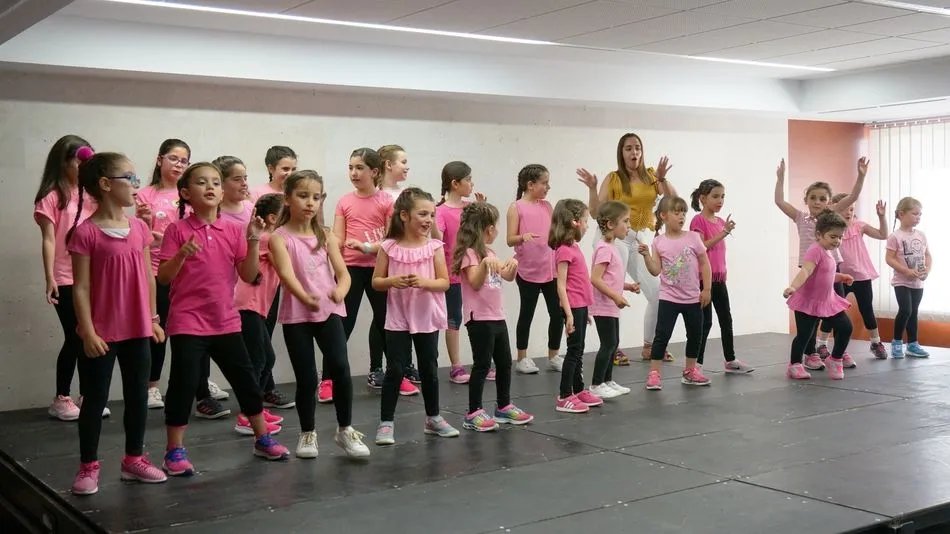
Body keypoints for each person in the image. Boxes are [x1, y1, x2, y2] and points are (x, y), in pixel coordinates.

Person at [157, 162, 288, 476]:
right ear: (187, 193)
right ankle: (174, 450)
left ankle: (261, 438)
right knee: (182, 384)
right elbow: (163, 277)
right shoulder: (177, 230)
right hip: (188, 321)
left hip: (225, 320)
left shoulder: (233, 229)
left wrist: (255, 238)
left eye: (215, 181)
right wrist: (181, 255)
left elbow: (249, 274)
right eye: (202, 182)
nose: (211, 187)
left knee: (245, 381)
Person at [66, 151, 167, 495]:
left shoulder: (139, 228)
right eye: (131, 179)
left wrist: (153, 318)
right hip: (102, 334)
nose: (137, 186)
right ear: (106, 185)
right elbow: (79, 287)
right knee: (94, 399)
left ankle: (133, 460)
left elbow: (149, 278)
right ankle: (88, 466)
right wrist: (88, 330)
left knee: (138, 396)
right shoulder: (86, 233)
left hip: (138, 329)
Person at [269, 170, 370, 458]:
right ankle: (307, 433)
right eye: (303, 196)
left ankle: (345, 430)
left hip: (329, 313)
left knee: (340, 368)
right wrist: (304, 297)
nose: (310, 203)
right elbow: (286, 274)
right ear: (287, 199)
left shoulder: (326, 236)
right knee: (306, 378)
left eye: (316, 197)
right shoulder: (280, 237)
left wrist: (341, 290)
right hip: (298, 315)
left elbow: (343, 273)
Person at [577, 133, 677, 364]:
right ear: (621, 154)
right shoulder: (613, 179)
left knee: (657, 292)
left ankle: (650, 346)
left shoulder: (652, 176)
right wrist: (592, 188)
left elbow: (673, 200)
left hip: (637, 235)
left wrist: (662, 178)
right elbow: (595, 213)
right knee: (612, 290)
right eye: (629, 148)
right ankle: (613, 347)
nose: (634, 153)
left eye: (637, 148)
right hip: (612, 236)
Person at [372, 187, 459, 445]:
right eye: (422, 213)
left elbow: (444, 282)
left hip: (426, 316)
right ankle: (386, 422)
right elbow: (376, 281)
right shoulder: (388, 247)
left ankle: (433, 418)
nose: (428, 220)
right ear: (404, 216)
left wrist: (423, 282)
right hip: (398, 317)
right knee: (395, 369)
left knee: (429, 369)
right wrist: (392, 280)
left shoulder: (434, 247)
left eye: (431, 214)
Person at [332, 148, 418, 395]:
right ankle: (329, 380)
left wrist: (367, 247)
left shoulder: (385, 201)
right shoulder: (344, 201)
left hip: (378, 270)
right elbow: (337, 238)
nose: (354, 173)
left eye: (359, 168)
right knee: (342, 325)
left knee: (386, 323)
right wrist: (335, 267)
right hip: (351, 270)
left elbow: (393, 238)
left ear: (374, 171)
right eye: (350, 167)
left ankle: (396, 375)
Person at [774, 157, 868, 371]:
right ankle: (810, 353)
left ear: (829, 201)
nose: (817, 202)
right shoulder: (800, 217)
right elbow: (779, 202)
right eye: (813, 198)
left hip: (831, 269)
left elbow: (853, 196)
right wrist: (781, 178)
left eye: (822, 198)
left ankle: (838, 351)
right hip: (809, 271)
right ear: (806, 199)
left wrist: (861, 176)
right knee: (811, 315)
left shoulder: (832, 215)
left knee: (835, 310)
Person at [452, 202, 533, 431]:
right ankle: (473, 411)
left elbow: (506, 276)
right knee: (482, 364)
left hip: (497, 316)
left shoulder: (490, 252)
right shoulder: (470, 254)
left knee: (505, 361)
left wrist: (513, 265)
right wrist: (485, 264)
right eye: (496, 227)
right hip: (479, 318)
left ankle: (503, 406)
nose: (497, 231)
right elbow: (476, 283)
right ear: (488, 229)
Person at [33, 135, 98, 421]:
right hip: (65, 275)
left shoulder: (93, 196)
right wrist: (50, 278)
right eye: (79, 159)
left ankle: (87, 395)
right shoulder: (52, 197)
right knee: (74, 335)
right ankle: (61, 397)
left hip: (92, 276)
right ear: (64, 161)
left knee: (88, 335)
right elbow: (48, 240)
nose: (84, 165)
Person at [638, 197, 712, 390]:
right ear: (663, 216)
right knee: (662, 335)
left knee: (695, 334)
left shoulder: (693, 238)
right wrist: (646, 256)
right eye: (676, 212)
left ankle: (690, 371)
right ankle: (654, 373)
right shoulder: (659, 241)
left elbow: (705, 263)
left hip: (692, 297)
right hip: (669, 297)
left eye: (683, 212)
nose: (681, 216)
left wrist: (707, 289)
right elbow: (655, 270)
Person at [232, 193, 286, 436]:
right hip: (247, 305)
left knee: (266, 359)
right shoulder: (267, 238)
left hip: (257, 307)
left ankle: (255, 409)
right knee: (259, 360)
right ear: (274, 217)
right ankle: (246, 415)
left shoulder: (269, 238)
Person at [689, 180, 753, 374]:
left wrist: (724, 230)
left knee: (726, 319)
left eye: (722, 196)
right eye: (715, 196)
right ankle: (696, 364)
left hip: (719, 279)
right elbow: (702, 247)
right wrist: (724, 233)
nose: (720, 200)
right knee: (705, 323)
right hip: (703, 279)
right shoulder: (697, 221)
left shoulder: (721, 221)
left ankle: (730, 359)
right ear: (703, 198)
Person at [506, 164, 564, 375]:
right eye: (544, 183)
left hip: (550, 270)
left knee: (557, 314)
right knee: (527, 313)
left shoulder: (547, 206)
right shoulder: (516, 207)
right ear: (530, 185)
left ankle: (554, 355)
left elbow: (554, 231)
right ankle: (522, 358)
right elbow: (509, 238)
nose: (548, 187)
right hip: (528, 271)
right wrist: (523, 237)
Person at [783, 210, 853, 380]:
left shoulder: (828, 252)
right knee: (805, 336)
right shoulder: (815, 250)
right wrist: (793, 286)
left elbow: (824, 275)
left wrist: (840, 277)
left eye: (839, 237)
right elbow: (807, 270)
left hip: (826, 301)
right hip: (808, 301)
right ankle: (794, 364)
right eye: (833, 236)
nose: (837, 241)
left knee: (846, 327)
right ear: (819, 234)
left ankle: (835, 359)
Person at [550, 199, 601, 413]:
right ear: (575, 222)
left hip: (580, 307)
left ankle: (579, 390)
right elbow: (561, 286)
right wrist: (569, 315)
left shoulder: (574, 247)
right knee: (573, 351)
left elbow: (578, 281)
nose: (588, 225)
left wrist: (584, 311)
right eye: (586, 221)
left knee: (578, 350)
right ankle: (564, 396)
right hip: (572, 307)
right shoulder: (563, 250)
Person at [830, 194, 889, 360]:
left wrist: (882, 217)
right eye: (844, 209)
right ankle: (826, 345)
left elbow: (883, 234)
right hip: (840, 276)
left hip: (861, 276)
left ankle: (876, 342)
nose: (848, 212)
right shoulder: (832, 230)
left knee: (867, 309)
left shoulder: (859, 226)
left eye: (851, 209)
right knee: (836, 312)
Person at [589, 201, 637, 399]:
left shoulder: (611, 247)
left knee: (613, 342)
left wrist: (627, 287)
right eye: (625, 221)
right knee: (608, 344)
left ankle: (607, 380)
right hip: (603, 305)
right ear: (610, 225)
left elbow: (611, 278)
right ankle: (596, 384)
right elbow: (595, 278)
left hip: (611, 304)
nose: (629, 226)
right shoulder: (604, 249)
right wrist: (616, 296)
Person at [885, 197, 932, 359]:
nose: (918, 217)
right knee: (905, 310)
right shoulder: (895, 236)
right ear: (901, 214)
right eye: (915, 214)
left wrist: (927, 271)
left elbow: (928, 256)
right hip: (901, 281)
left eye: (920, 215)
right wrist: (905, 271)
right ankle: (897, 343)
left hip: (918, 282)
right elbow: (889, 258)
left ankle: (912, 344)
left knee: (913, 312)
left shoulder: (921, 235)